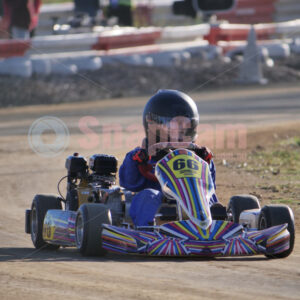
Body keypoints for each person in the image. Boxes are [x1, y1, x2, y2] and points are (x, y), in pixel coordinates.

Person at [119, 90, 219, 227]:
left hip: (191, 200)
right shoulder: (140, 156)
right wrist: (140, 161)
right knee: (149, 195)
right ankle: (146, 231)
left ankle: (215, 226)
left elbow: (209, 186)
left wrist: (205, 160)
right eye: (174, 125)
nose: (180, 130)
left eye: (185, 125)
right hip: (158, 206)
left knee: (210, 199)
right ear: (153, 124)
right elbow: (128, 183)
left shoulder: (198, 156)